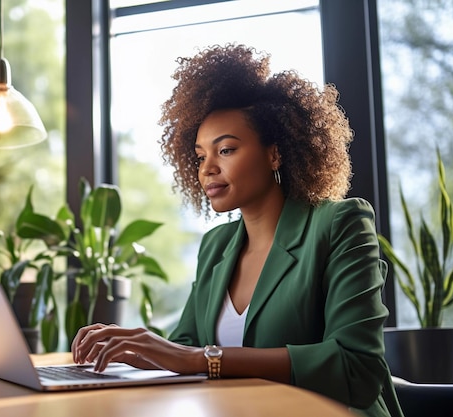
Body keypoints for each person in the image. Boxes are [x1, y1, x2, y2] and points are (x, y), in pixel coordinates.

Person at [71, 44, 404, 417]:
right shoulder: (217, 246)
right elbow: (184, 347)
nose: (206, 169)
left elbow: (357, 368)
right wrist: (131, 349)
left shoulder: (340, 224)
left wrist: (202, 359)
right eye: (200, 156)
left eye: (225, 150)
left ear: (274, 154)